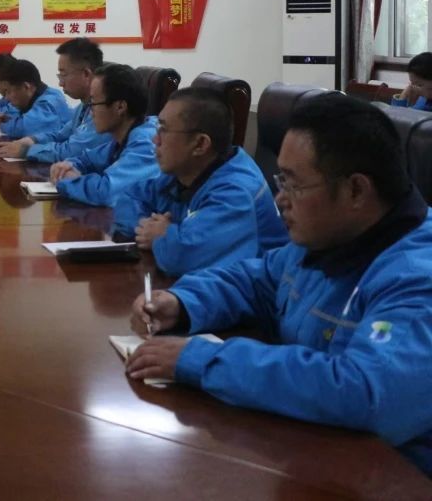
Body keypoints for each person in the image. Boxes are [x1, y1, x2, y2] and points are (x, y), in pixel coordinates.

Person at [126, 93, 432, 475]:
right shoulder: (330, 237)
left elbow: (367, 392)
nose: (279, 198)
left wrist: (202, 360)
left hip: (393, 476)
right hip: (313, 452)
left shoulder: (416, 277)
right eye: (280, 179)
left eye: (293, 184)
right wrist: (183, 302)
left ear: (356, 190)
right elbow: (256, 280)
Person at [113, 87, 287, 275]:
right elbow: (128, 198)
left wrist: (162, 237)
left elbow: (184, 258)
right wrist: (148, 228)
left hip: (258, 291)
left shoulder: (236, 191)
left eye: (164, 130)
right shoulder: (184, 173)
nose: (155, 140)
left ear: (200, 144)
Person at [50, 63, 159, 206]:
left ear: (120, 107)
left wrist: (67, 180)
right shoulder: (125, 136)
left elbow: (106, 192)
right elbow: (88, 159)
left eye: (94, 103)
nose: (90, 112)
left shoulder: (147, 141)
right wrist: (67, 165)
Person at [0, 38, 111, 162]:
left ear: (86, 74)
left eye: (63, 75)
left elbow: (72, 151)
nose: (60, 83)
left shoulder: (104, 110)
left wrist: (25, 151)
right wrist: (32, 140)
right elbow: (61, 135)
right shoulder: (83, 106)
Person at [0, 57, 73, 140]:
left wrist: (1, 125)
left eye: (8, 91)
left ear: (26, 87)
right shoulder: (36, 98)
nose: (6, 98)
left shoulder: (49, 101)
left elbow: (23, 129)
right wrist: (10, 119)